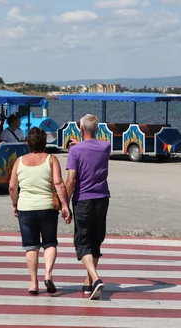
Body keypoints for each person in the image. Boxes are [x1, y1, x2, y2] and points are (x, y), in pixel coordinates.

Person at [9, 128, 71, 295]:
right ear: (45, 142)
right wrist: (65, 205)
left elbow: (12, 186)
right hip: (47, 208)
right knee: (49, 243)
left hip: (26, 209)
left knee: (31, 247)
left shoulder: (19, 161)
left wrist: (15, 204)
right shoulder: (51, 159)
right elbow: (58, 183)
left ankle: (34, 283)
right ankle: (48, 274)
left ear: (27, 143)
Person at [65, 114, 111, 300]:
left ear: (81, 129)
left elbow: (71, 179)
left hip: (83, 199)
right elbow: (93, 146)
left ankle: (96, 279)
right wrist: (81, 143)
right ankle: (88, 282)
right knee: (95, 239)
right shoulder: (105, 147)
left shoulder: (75, 152)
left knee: (82, 242)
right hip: (102, 198)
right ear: (97, 129)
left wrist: (64, 203)